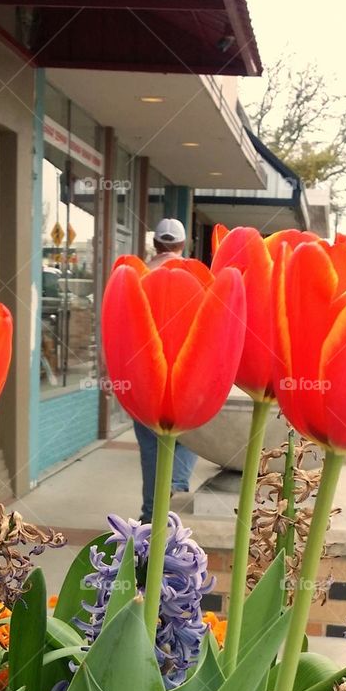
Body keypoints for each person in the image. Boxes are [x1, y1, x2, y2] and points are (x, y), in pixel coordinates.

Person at [134, 218, 197, 520]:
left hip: (143, 375)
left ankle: (151, 512)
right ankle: (175, 484)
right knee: (192, 434)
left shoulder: (137, 275)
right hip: (187, 374)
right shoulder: (196, 276)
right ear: (182, 245)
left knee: (150, 446)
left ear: (156, 244)